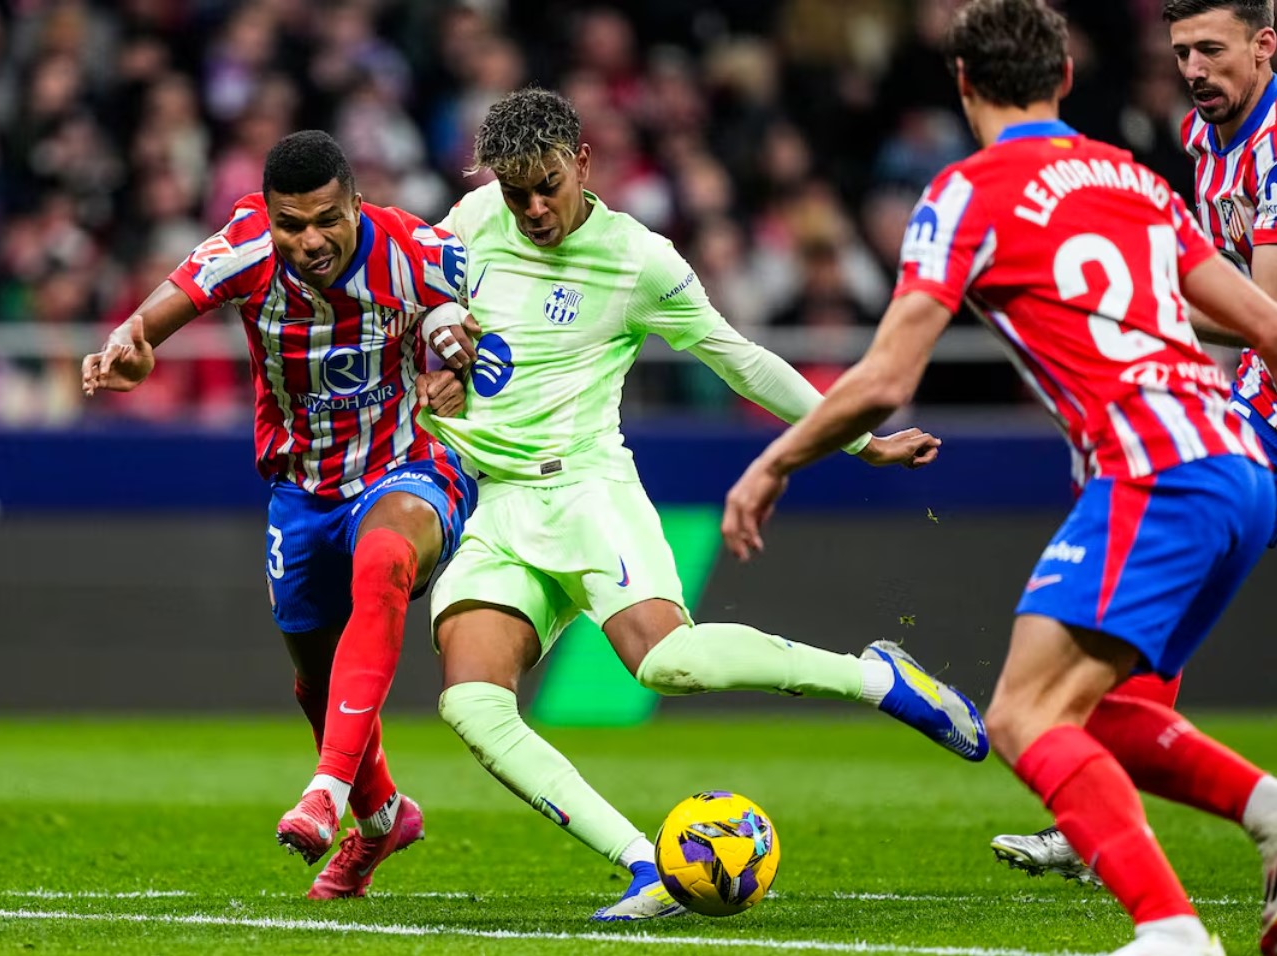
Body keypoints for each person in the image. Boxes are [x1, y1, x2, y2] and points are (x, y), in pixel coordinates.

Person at [721, 2, 1277, 954]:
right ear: (1065, 79)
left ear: (965, 86)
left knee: (1022, 713)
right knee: (1112, 716)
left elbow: (887, 378)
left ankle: (1171, 930)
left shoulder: (964, 195)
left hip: (1151, 470)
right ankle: (1266, 810)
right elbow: (1266, 323)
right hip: (1242, 464)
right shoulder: (1132, 174)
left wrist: (775, 459)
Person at [416, 87, 988, 923]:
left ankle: (877, 679)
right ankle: (647, 865)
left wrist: (860, 439)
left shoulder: (639, 259)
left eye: (546, 183)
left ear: (582, 161)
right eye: (515, 191)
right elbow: (423, 302)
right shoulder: (471, 221)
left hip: (585, 490)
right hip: (491, 503)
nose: (532, 207)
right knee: (470, 701)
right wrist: (438, 348)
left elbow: (742, 360)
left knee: (667, 665)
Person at [81, 129, 476, 900]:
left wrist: (462, 371)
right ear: (270, 215)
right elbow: (152, 320)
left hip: (408, 467)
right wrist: (128, 349)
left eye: (327, 219)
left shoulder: (418, 250)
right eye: (292, 223)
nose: (310, 240)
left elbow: (490, 338)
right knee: (317, 677)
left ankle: (326, 790)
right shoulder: (247, 246)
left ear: (355, 203)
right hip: (300, 488)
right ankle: (380, 817)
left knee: (384, 562)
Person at [989, 0, 1277, 897]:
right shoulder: (1203, 137)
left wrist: (1128, 302)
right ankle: (1100, 806)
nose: (1193, 68)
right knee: (1157, 599)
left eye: (1213, 50)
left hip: (1260, 400)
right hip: (1252, 407)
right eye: (1182, 49)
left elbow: (1262, 313)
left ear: (1267, 45)